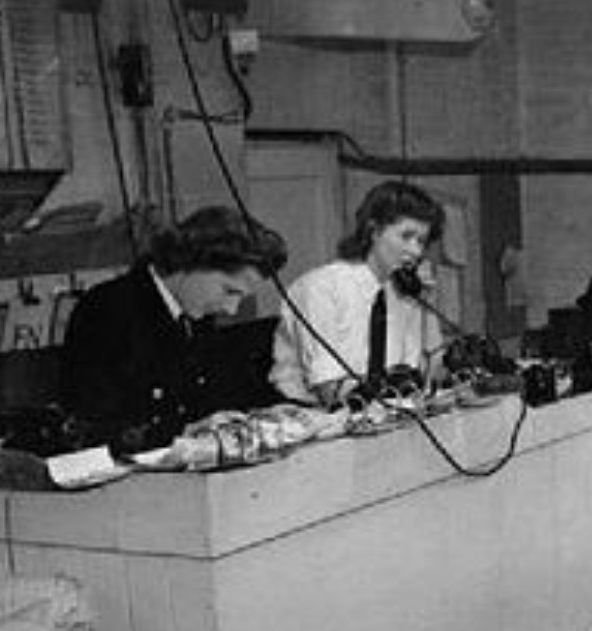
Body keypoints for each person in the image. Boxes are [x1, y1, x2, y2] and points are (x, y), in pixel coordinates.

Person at [61, 206, 287, 452]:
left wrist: (277, 412)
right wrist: (179, 432)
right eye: (229, 291)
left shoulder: (192, 312)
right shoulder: (108, 309)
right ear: (192, 261)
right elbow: (96, 424)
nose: (231, 309)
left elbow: (220, 390)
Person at [270, 180, 449, 405]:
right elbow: (330, 390)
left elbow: (431, 376)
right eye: (406, 236)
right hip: (313, 415)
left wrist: (426, 301)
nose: (415, 251)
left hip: (383, 411)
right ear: (374, 231)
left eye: (421, 241)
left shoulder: (402, 293)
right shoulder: (320, 289)